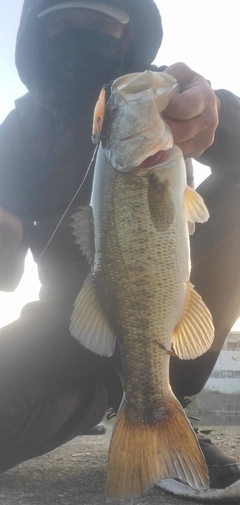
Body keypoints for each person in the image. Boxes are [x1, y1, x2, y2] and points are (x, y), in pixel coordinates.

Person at [0, 0, 240, 501]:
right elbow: (6, 271)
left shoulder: (159, 95)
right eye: (63, 22)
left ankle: (158, 398)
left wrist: (219, 112)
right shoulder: (18, 130)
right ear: (37, 35)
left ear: (129, 32)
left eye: (100, 21)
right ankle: (123, 396)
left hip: (167, 308)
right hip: (68, 324)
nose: (79, 34)